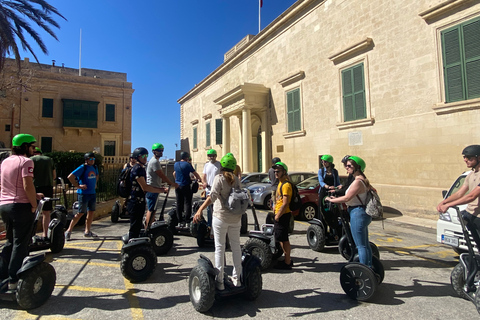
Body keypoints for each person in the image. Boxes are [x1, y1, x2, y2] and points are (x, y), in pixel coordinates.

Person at [193, 153, 243, 290]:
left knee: (220, 248)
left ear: (222, 166)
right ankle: (237, 279)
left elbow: (212, 197)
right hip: (236, 218)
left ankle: (220, 281)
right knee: (236, 247)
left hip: (220, 217)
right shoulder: (237, 180)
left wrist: (200, 209)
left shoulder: (219, 178)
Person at [0, 134, 43, 291]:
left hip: (5, 206)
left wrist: (34, 194)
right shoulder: (26, 162)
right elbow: (27, 185)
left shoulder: (5, 161)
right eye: (32, 146)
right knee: (21, 243)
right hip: (20, 207)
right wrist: (33, 203)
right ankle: (14, 279)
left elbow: (7, 184)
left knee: (10, 242)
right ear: (25, 146)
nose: (33, 149)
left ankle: (2, 275)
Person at [326, 156, 372, 267]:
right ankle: (369, 267)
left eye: (349, 166)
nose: (346, 167)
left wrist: (331, 200)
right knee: (365, 244)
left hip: (357, 213)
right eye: (346, 165)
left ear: (357, 167)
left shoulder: (358, 181)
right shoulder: (361, 179)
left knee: (360, 246)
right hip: (360, 212)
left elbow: (347, 198)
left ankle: (364, 269)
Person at [438, 145, 480, 245]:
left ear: (479, 158)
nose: (466, 160)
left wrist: (448, 205)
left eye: (469, 158)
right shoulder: (471, 174)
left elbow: (471, 196)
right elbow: (459, 193)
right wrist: (444, 202)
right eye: (464, 157)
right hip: (471, 215)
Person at [127, 147, 169, 239]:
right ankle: (133, 248)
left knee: (137, 226)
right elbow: (145, 187)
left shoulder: (139, 168)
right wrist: (161, 190)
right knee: (135, 227)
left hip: (138, 201)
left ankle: (135, 244)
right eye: (143, 156)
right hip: (135, 202)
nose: (145, 158)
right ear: (137, 157)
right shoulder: (138, 169)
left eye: (146, 155)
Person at [65, 152, 99, 240]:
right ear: (86, 160)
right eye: (90, 159)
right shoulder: (82, 167)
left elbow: (97, 175)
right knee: (80, 213)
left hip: (92, 193)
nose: (92, 161)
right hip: (83, 194)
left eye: (93, 159)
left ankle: (87, 231)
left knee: (91, 212)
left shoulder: (94, 167)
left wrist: (95, 183)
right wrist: (78, 186)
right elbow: (70, 177)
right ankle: (69, 231)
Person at [145, 143, 178, 225]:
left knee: (153, 208)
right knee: (151, 209)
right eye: (159, 151)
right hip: (153, 188)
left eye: (162, 150)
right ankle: (148, 227)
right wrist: (171, 183)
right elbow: (161, 175)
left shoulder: (155, 161)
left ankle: (150, 224)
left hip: (154, 187)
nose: (161, 152)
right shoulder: (154, 162)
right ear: (154, 151)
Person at [31, 147, 56, 240]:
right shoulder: (49, 160)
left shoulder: (30, 160)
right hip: (47, 188)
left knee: (33, 211)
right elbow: (54, 176)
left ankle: (31, 234)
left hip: (35, 188)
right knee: (46, 213)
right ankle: (45, 234)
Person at [272, 161, 293, 270]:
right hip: (279, 214)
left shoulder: (286, 185)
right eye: (275, 171)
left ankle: (287, 262)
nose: (276, 173)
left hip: (283, 215)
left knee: (284, 239)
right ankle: (286, 259)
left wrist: (278, 215)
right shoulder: (280, 182)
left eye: (278, 171)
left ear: (284, 172)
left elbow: (285, 203)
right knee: (280, 237)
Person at [175, 151, 201, 227]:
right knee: (187, 202)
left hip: (177, 185)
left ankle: (179, 221)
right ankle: (187, 221)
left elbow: (174, 173)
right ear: (187, 157)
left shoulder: (176, 164)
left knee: (179, 203)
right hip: (185, 185)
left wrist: (177, 180)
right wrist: (199, 179)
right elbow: (195, 173)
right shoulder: (187, 164)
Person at [202, 149, 222, 227]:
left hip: (217, 189)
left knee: (217, 208)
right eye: (210, 156)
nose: (211, 157)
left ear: (216, 156)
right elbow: (204, 176)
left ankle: (217, 224)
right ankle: (210, 225)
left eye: (213, 156)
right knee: (209, 209)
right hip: (209, 189)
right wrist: (204, 183)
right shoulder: (206, 165)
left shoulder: (219, 164)